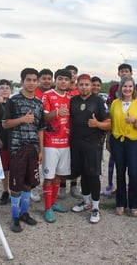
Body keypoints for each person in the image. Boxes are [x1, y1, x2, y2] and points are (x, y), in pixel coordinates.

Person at [2, 68, 44, 232]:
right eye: (29, 80)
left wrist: (40, 150)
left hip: (33, 149)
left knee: (29, 183)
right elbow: (5, 124)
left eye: (35, 80)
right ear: (22, 81)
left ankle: (24, 213)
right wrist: (22, 119)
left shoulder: (39, 103)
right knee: (16, 184)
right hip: (17, 148)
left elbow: (41, 128)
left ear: (38, 82)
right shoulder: (13, 101)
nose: (32, 83)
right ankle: (14, 217)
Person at [70, 74, 111, 223]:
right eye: (81, 84)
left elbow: (109, 124)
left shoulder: (99, 101)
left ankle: (95, 208)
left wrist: (97, 124)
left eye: (87, 84)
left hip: (93, 144)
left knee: (93, 175)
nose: (84, 87)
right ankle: (86, 202)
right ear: (77, 85)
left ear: (91, 85)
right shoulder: (73, 101)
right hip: (77, 143)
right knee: (82, 173)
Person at [109, 75, 137, 217]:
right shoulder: (115, 103)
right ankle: (120, 202)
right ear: (121, 87)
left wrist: (135, 121)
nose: (127, 89)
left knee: (132, 172)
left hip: (133, 141)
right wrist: (109, 141)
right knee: (120, 171)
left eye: (130, 86)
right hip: (117, 140)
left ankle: (134, 203)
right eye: (125, 86)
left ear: (134, 88)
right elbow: (111, 123)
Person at [41, 68, 72, 223]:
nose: (63, 82)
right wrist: (57, 113)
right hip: (50, 143)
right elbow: (43, 117)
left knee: (59, 176)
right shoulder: (48, 95)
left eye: (66, 79)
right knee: (49, 176)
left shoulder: (70, 97)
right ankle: (47, 208)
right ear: (55, 80)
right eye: (60, 78)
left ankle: (53, 203)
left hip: (66, 143)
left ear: (69, 82)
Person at [103, 63, 133, 196]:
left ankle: (127, 185)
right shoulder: (114, 88)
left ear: (131, 73)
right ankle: (110, 184)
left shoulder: (133, 87)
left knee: (129, 161)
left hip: (130, 130)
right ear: (118, 74)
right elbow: (110, 107)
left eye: (127, 71)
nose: (124, 73)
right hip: (115, 127)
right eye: (122, 71)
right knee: (113, 157)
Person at [58, 65, 82, 200]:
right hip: (62, 130)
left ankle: (74, 185)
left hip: (76, 130)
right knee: (63, 160)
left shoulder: (80, 91)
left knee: (75, 159)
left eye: (74, 73)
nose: (72, 75)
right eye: (70, 73)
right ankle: (62, 186)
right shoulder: (62, 91)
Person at [30, 68, 54, 203]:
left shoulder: (54, 93)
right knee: (34, 162)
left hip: (50, 133)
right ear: (39, 80)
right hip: (34, 132)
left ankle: (47, 189)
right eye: (43, 78)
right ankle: (33, 187)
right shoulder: (34, 93)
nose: (46, 81)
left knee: (48, 164)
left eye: (49, 78)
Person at [0, 80, 12, 206]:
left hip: (14, 139)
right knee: (4, 169)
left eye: (7, 88)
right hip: (1, 140)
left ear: (11, 91)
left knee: (14, 167)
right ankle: (5, 191)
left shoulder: (13, 103)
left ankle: (15, 191)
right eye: (1, 88)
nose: (4, 90)